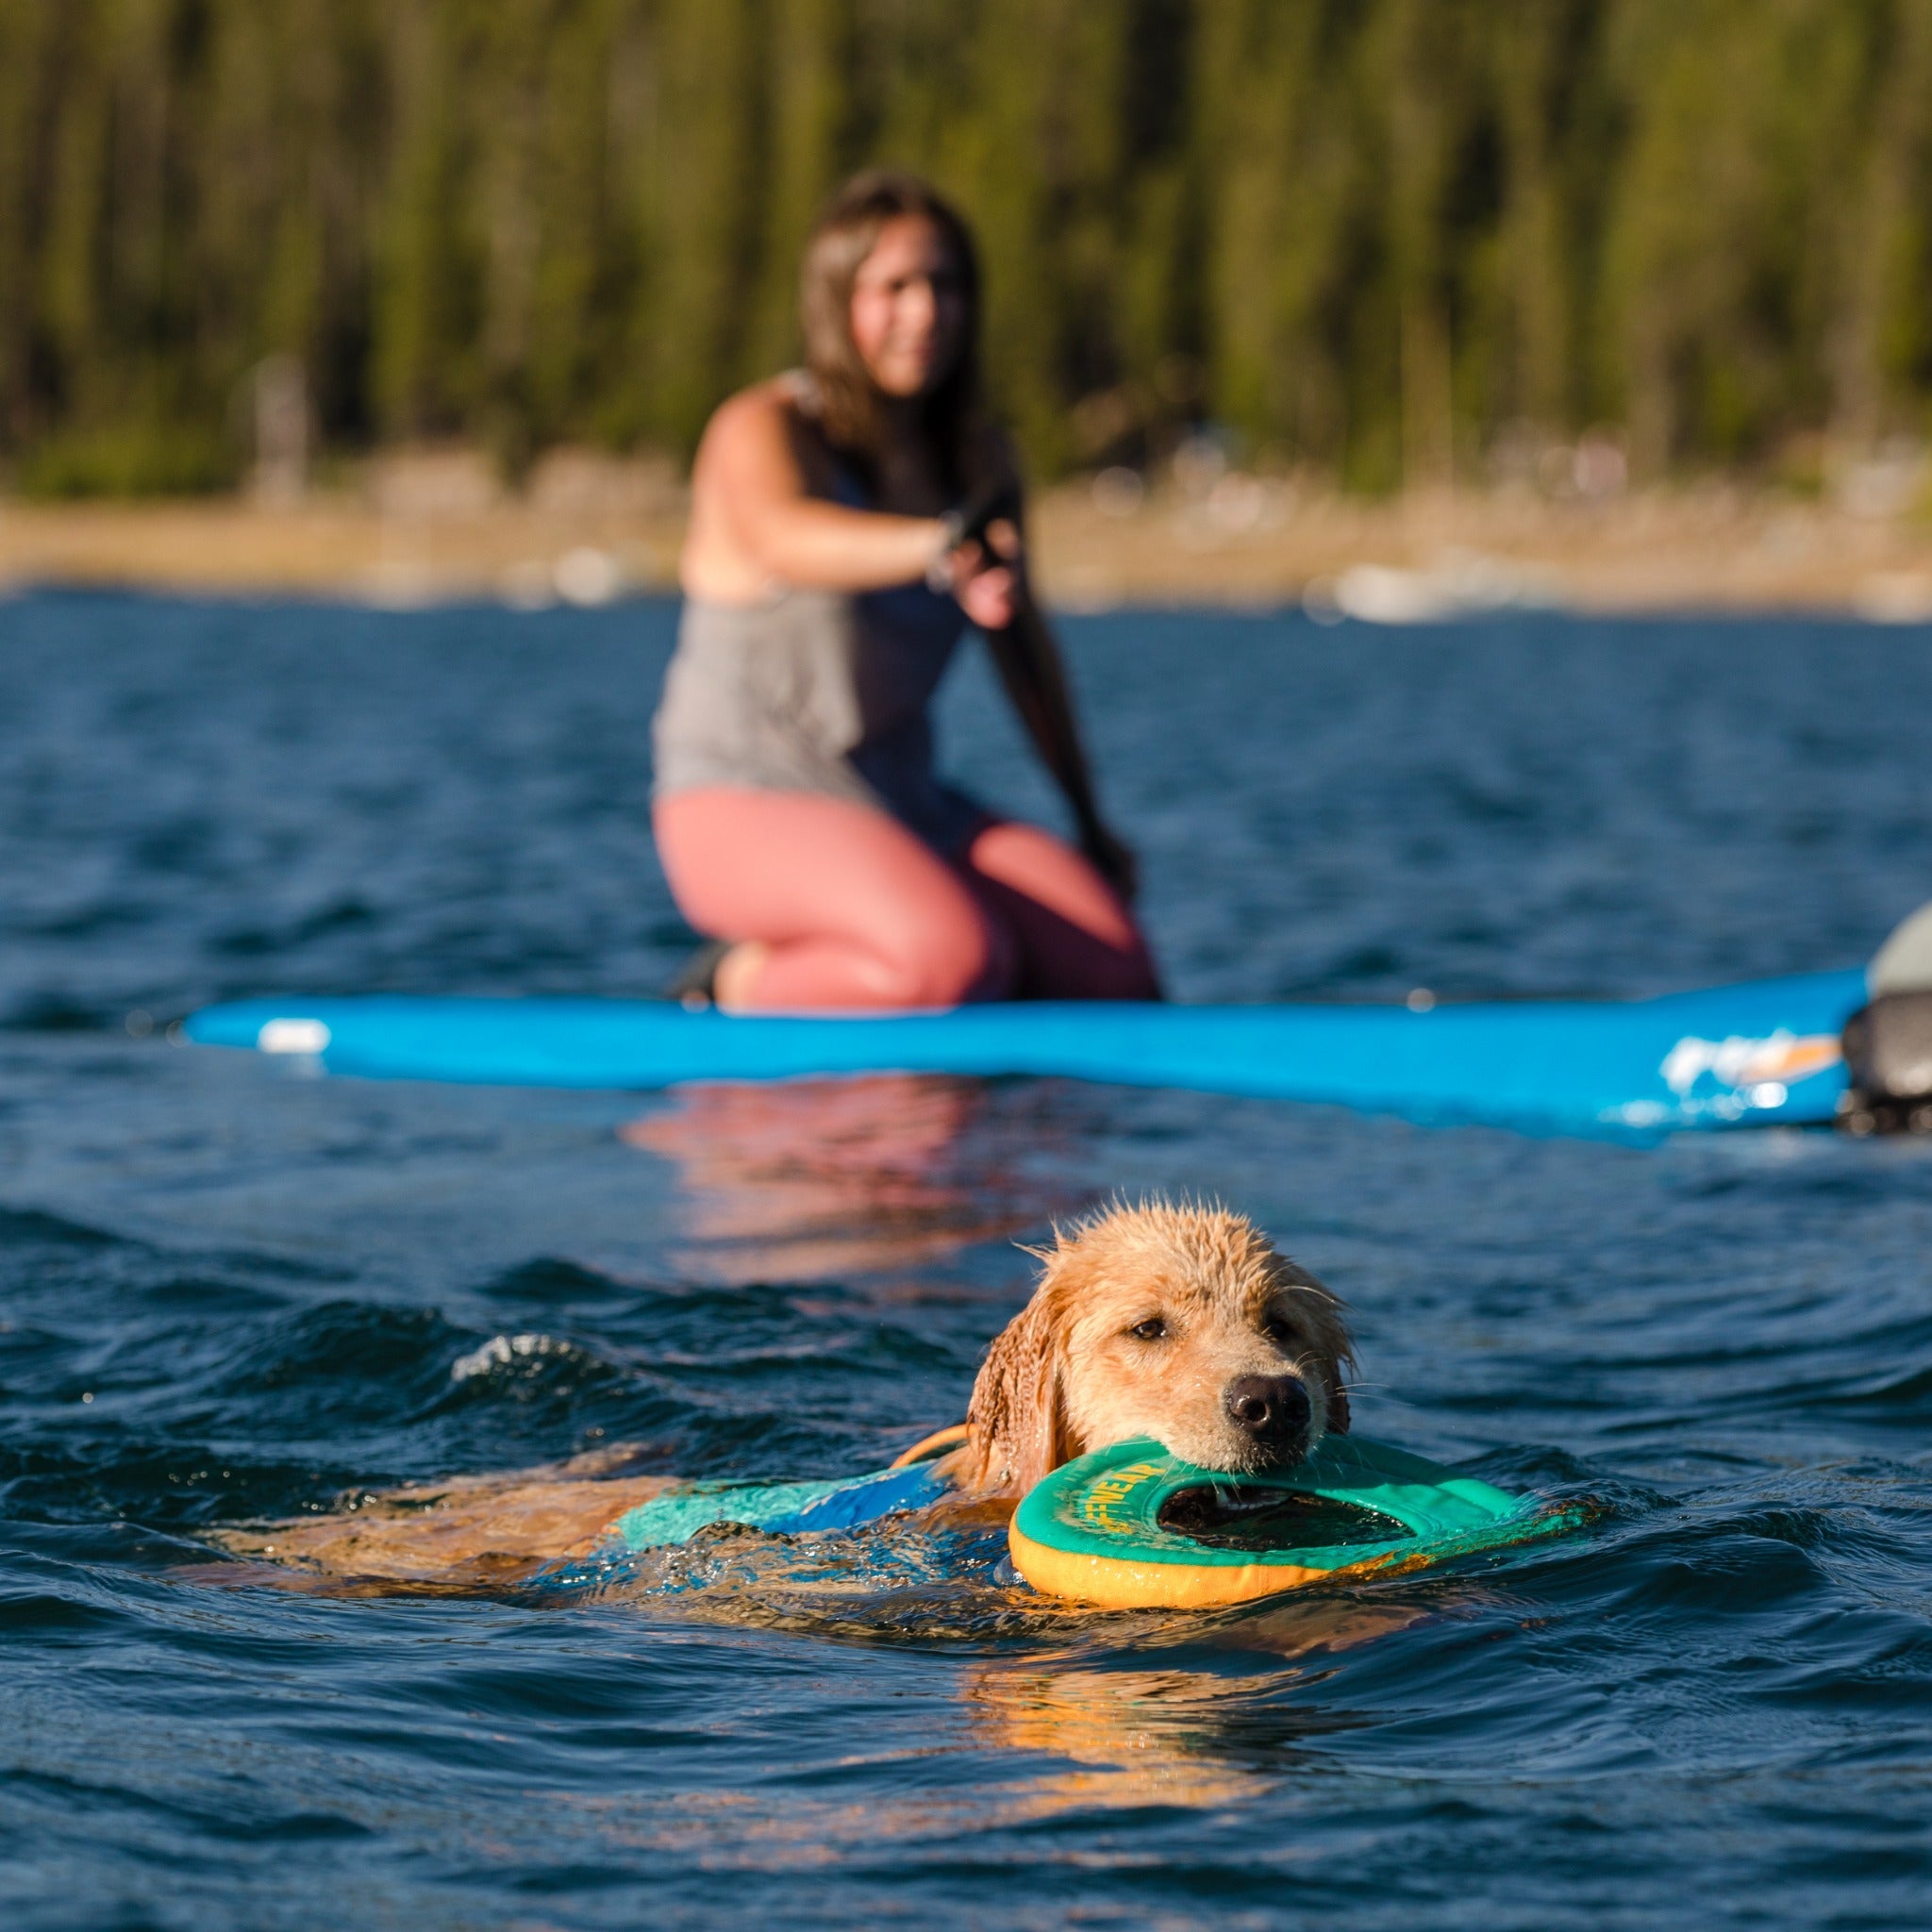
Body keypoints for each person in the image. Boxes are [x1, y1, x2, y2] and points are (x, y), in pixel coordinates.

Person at [651, 171, 1159, 1011]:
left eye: (946, 285)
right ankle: (732, 982)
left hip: (899, 801)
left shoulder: (979, 461)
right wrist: (939, 546)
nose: (926, 312)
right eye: (895, 288)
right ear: (836, 300)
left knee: (1114, 971)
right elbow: (786, 537)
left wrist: (1091, 823)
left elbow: (1027, 658)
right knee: (954, 962)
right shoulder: (763, 430)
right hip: (741, 798)